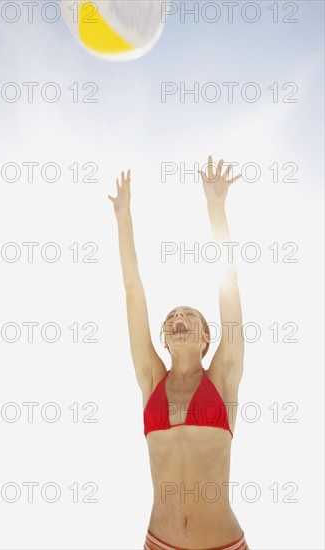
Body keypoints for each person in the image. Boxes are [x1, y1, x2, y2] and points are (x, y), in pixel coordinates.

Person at [108, 155, 249, 550]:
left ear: (207, 337)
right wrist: (123, 219)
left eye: (189, 315)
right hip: (159, 542)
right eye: (171, 317)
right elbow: (134, 291)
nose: (178, 317)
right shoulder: (151, 379)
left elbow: (230, 289)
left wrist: (216, 208)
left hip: (223, 543)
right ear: (165, 339)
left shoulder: (223, 377)